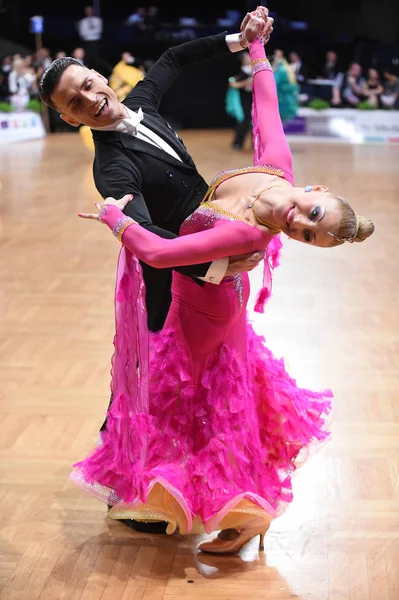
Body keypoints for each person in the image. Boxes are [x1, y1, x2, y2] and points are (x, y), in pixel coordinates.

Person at [73, 18, 375, 554]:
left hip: (200, 309)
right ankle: (239, 510)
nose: (296, 221)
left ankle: (236, 511)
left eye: (305, 234)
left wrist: (114, 220)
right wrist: (255, 45)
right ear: (316, 188)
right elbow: (266, 109)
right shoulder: (276, 171)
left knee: (202, 409)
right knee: (225, 404)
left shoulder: (245, 230)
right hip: (216, 299)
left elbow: (161, 252)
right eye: (312, 212)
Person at [39, 7, 272, 534]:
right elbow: (150, 243)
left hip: (205, 262)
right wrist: (217, 263)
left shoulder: (140, 103)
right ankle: (127, 486)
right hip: (170, 282)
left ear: (100, 77)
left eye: (89, 84)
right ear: (70, 119)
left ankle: (159, 477)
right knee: (153, 383)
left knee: (174, 381)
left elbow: (173, 57)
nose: (91, 98)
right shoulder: (112, 167)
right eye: (74, 102)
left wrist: (240, 37)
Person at [226, 50, 253, 150]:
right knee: (244, 121)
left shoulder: (253, 70)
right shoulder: (242, 72)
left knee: (256, 122)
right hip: (244, 100)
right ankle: (238, 143)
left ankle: (255, 144)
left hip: (254, 99)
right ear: (243, 60)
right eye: (247, 57)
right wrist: (247, 82)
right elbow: (232, 83)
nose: (249, 57)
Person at [271, 49, 299, 121]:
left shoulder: (283, 68)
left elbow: (274, 81)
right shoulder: (282, 66)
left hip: (282, 96)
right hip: (282, 94)